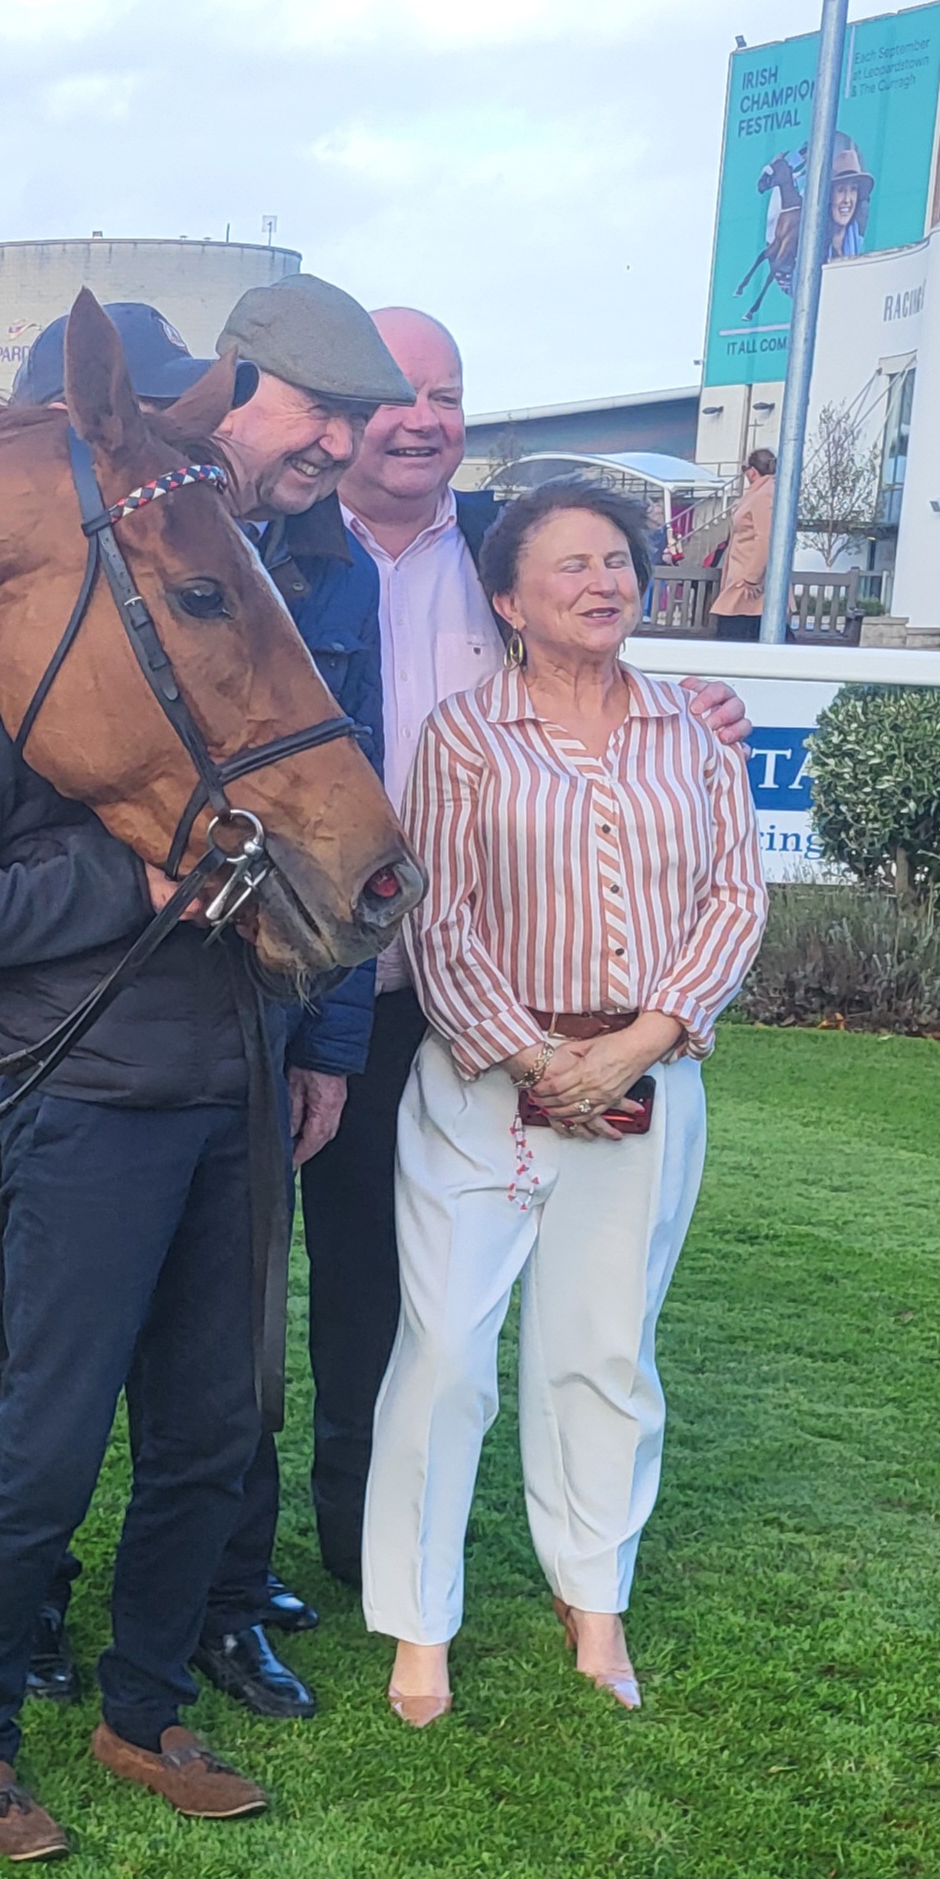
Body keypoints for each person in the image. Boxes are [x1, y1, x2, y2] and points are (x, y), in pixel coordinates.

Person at [0, 282, 413, 1862]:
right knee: (46, 1442)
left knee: (207, 1432)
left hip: (228, 1085)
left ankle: (137, 1708)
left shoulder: (221, 633)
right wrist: (133, 882)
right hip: (84, 1094)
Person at [288, 309, 751, 1608]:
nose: (419, 416)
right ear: (338, 411)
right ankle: (229, 1578)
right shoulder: (269, 538)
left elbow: (599, 684)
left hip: (438, 1005)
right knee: (247, 1302)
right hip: (290, 975)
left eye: (444, 391)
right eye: (392, 393)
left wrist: (702, 704)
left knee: (390, 1307)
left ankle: (356, 1559)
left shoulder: (513, 539)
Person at [365, 479, 765, 1727]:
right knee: (445, 1359)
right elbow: (440, 919)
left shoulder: (692, 731)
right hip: (488, 1089)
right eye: (570, 567)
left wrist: (635, 1046)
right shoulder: (465, 736)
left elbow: (735, 901)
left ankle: (597, 1600)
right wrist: (545, 1063)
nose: (604, 582)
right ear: (507, 600)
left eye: (618, 560)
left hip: (648, 1088)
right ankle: (419, 1623)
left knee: (603, 1354)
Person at [707, 448, 775, 640]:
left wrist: (751, 578)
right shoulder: (763, 492)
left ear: (752, 471)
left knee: (733, 636)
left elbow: (766, 538)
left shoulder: (764, 495)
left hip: (749, 585)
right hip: (748, 582)